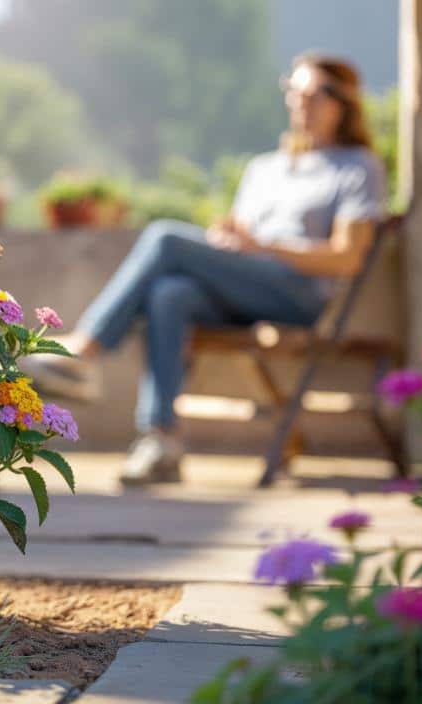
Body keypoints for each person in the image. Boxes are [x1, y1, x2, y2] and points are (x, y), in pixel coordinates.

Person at [24, 53, 386, 485]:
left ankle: (84, 351)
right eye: (294, 92)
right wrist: (227, 241)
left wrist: (263, 245)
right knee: (169, 293)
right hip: (243, 285)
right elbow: (242, 238)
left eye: (315, 95)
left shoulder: (357, 167)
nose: (300, 104)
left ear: (342, 103)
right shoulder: (264, 169)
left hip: (298, 293)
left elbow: (347, 257)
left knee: (164, 237)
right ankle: (161, 440)